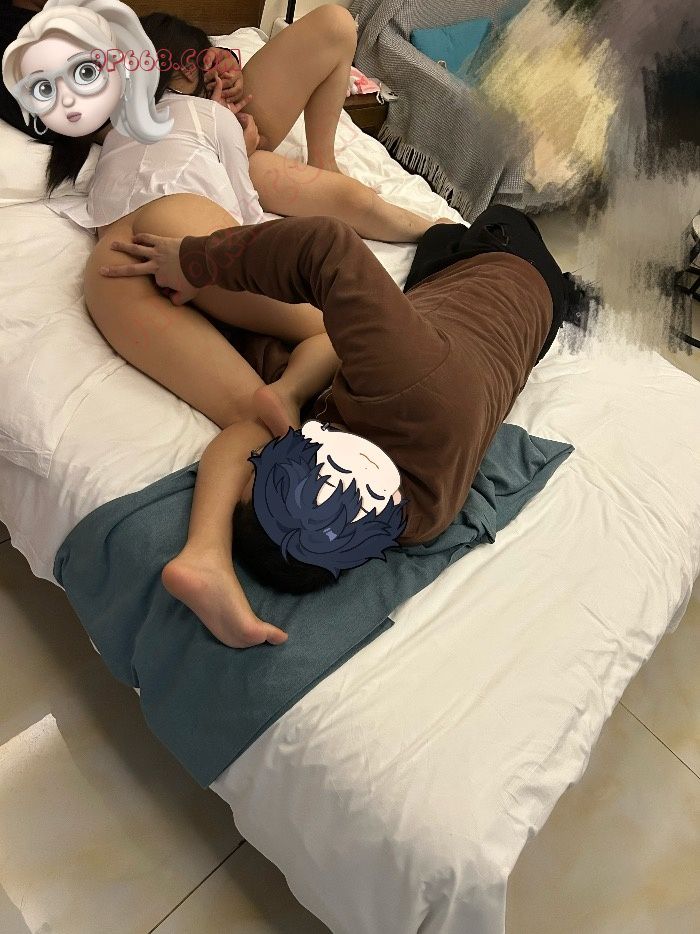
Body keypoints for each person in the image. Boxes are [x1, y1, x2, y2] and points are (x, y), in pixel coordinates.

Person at [100, 205, 583, 649]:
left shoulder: (410, 519)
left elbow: (255, 439)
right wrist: (193, 262)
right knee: (461, 229)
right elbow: (323, 244)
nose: (271, 446)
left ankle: (206, 549)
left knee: (425, 258)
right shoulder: (407, 380)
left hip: (456, 330)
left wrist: (207, 548)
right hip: (510, 264)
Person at [3, 4, 451, 431]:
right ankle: (305, 394)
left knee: (255, 421)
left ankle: (283, 440)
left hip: (112, 256)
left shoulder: (120, 114)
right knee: (338, 331)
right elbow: (247, 227)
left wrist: (225, 71)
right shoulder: (202, 112)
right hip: (183, 209)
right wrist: (231, 134)